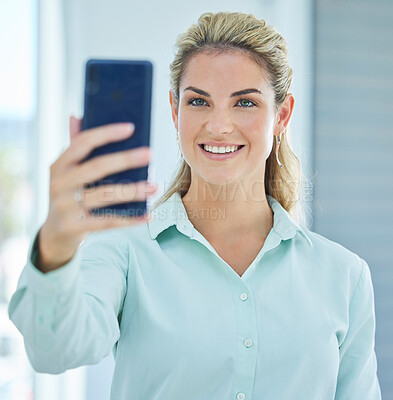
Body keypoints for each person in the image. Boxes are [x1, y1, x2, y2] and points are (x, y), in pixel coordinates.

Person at [8, 11, 381, 400]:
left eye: (246, 103)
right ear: (175, 111)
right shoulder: (124, 251)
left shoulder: (344, 277)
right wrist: (56, 244)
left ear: (281, 115)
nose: (219, 126)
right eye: (199, 101)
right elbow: (53, 350)